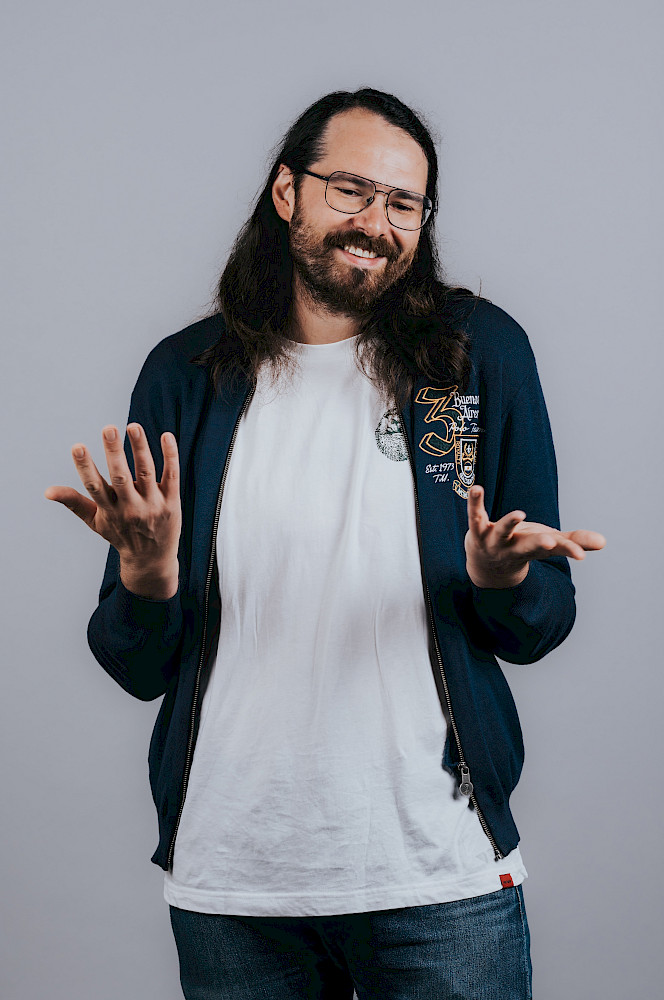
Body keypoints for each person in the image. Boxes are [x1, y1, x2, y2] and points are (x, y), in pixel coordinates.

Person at [45, 88, 606, 1000]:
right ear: (286, 192)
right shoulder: (187, 376)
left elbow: (539, 626)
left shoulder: (474, 356)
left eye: (403, 203)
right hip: (235, 885)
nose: (375, 224)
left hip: (438, 875)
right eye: (350, 190)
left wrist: (502, 580)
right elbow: (136, 667)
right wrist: (145, 579)